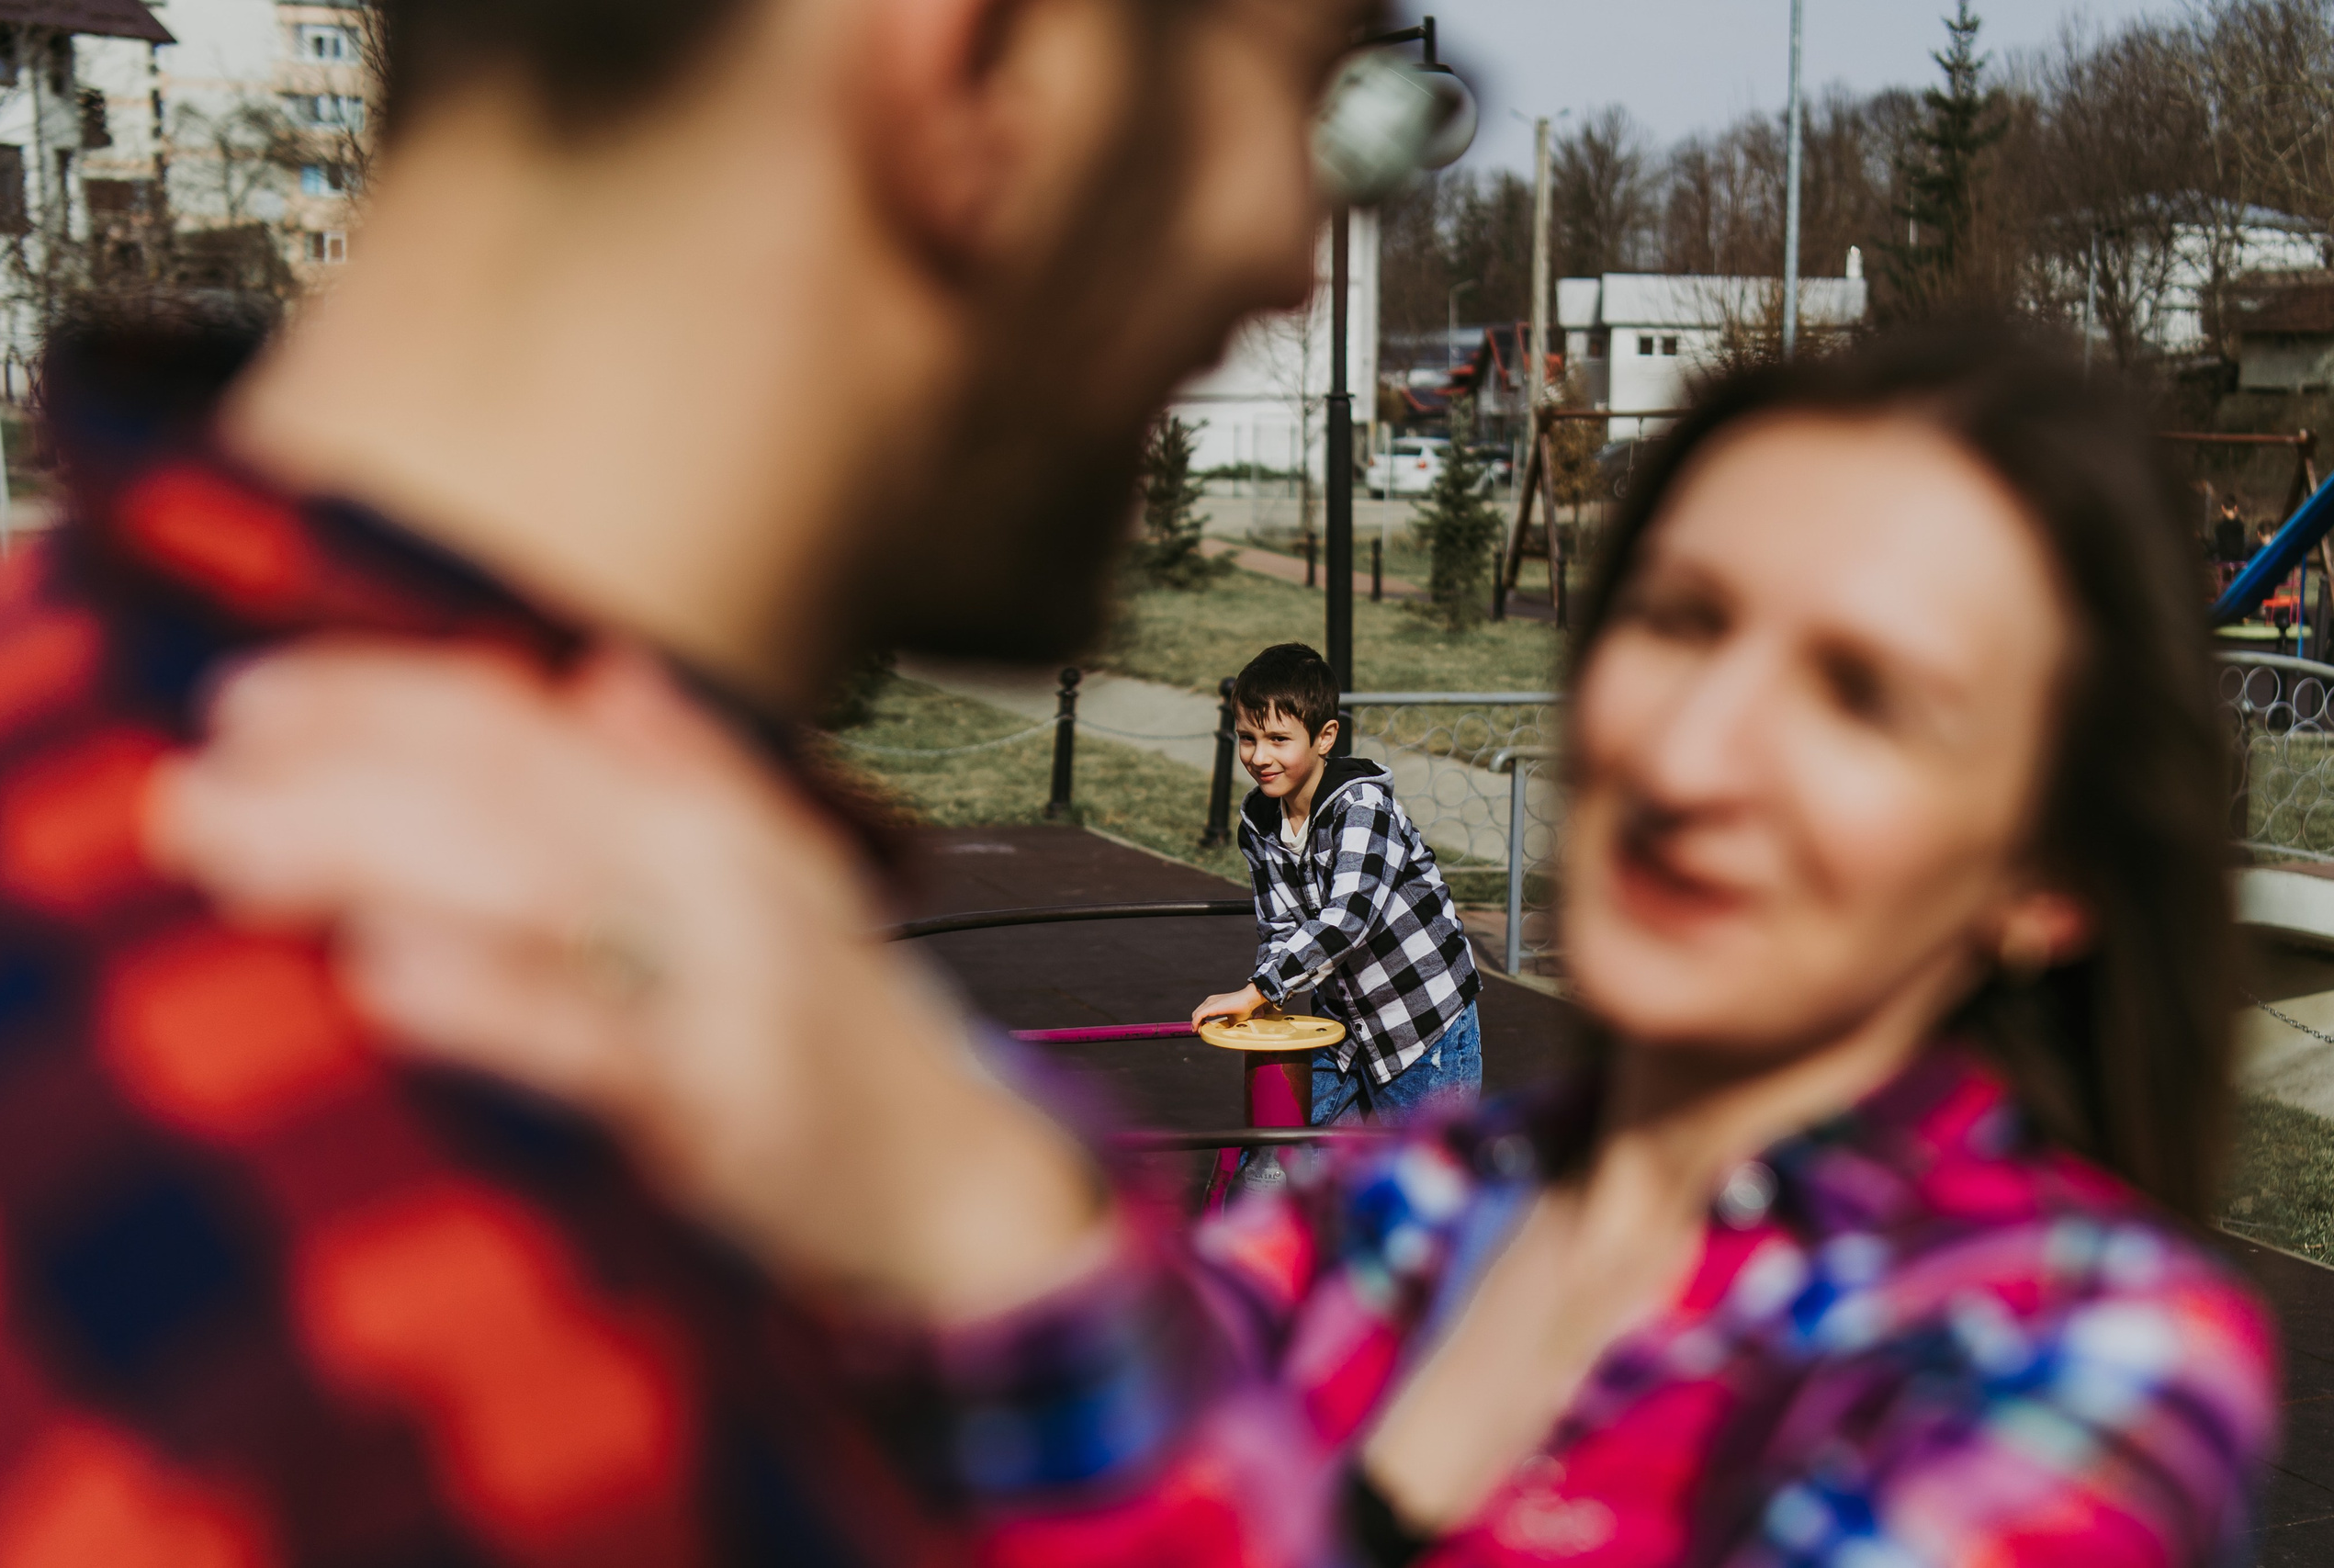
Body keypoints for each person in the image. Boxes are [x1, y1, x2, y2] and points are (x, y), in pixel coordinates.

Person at [150, 325, 2279, 1566]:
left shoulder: (2089, 1348)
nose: (1698, 745)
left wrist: (971, 1206)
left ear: (2043, 875)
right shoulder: (1375, 1218)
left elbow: (1081, 1324)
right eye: (1679, 618)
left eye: (1862, 694)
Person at [0, 0, 1374, 1558]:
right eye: (1299, 80)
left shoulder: (48, 688)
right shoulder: (522, 1363)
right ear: (983, 68)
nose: (1290, 253)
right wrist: (1039, 1296)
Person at [1192, 641, 1482, 1145]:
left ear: (1325, 737)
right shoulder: (1260, 822)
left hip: (1420, 1025)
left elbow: (1349, 918)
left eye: (1279, 740)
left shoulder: (1361, 807)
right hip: (1343, 1025)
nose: (1260, 757)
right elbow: (1281, 926)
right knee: (1278, 1163)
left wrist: (1258, 990)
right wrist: (1268, 1007)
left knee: (1419, 1188)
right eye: (1247, 738)